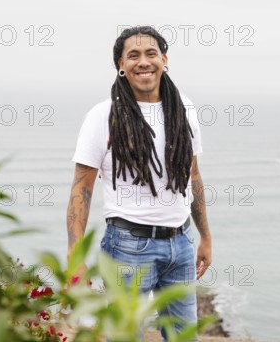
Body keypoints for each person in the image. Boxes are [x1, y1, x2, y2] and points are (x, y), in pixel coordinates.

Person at [66, 26, 212, 340]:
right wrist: (75, 254)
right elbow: (82, 187)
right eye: (133, 55)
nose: (143, 61)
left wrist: (205, 236)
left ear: (164, 59)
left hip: (181, 242)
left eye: (151, 53)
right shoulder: (102, 116)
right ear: (121, 64)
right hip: (127, 246)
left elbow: (193, 175)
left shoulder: (182, 110)